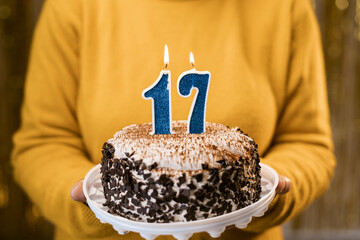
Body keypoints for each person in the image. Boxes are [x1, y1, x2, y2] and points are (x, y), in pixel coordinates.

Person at [11, 0, 335, 239]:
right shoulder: (73, 7)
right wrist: (98, 207)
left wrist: (263, 198)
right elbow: (42, 141)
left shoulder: (285, 8)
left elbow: (308, 142)